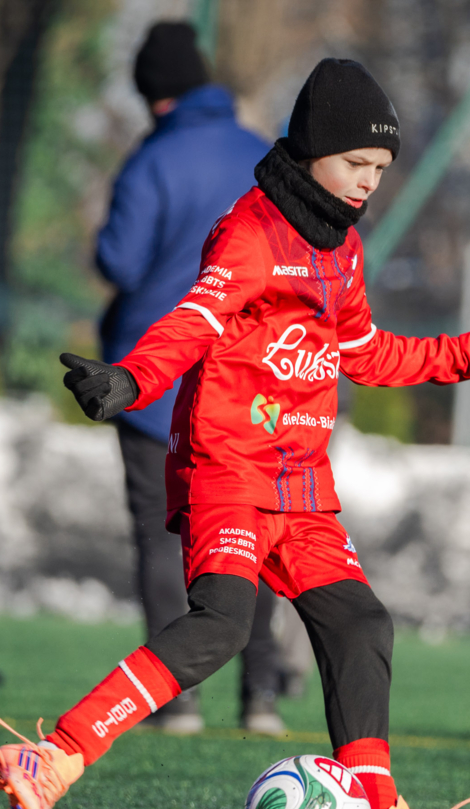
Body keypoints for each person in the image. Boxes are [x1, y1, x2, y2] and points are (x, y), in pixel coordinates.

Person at [0, 58, 470, 809]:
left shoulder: (345, 249)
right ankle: (55, 756)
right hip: (228, 473)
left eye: (381, 169)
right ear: (312, 150)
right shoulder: (249, 234)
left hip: (302, 488)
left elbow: (366, 352)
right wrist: (131, 380)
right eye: (356, 163)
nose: (368, 182)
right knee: (221, 625)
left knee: (361, 624)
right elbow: (194, 320)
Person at [95, 21, 282, 735]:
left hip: (155, 382)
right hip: (249, 383)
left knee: (160, 535)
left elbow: (120, 261)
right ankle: (260, 698)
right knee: (255, 533)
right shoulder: (262, 154)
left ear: (153, 96)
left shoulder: (151, 161)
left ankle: (176, 703)